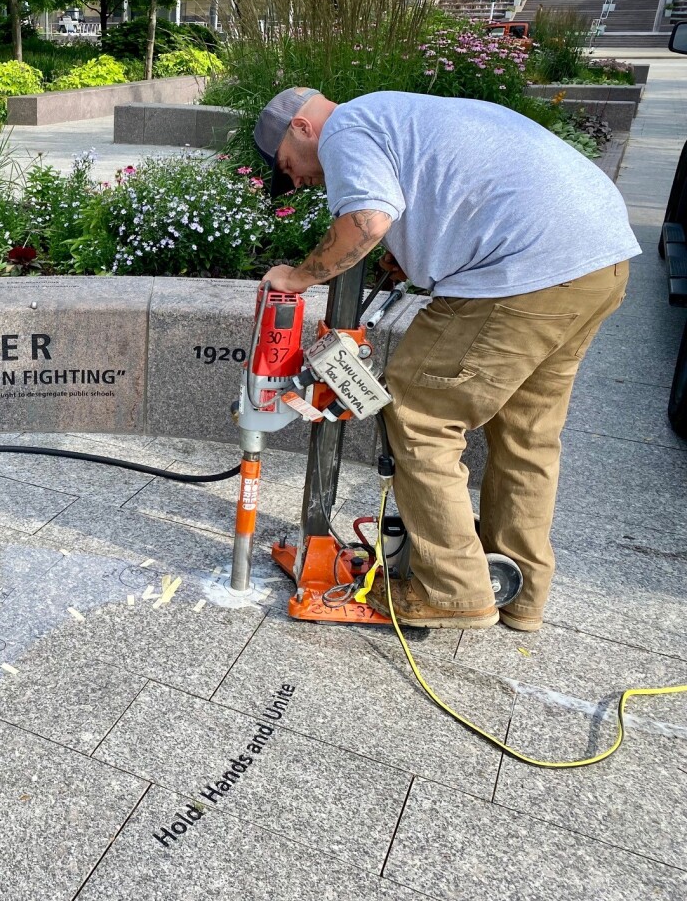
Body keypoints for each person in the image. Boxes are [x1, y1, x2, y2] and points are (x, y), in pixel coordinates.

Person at [254, 87, 637, 631]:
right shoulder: (394, 113)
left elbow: (366, 221)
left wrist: (297, 276)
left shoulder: (344, 128)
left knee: (419, 411)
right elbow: (441, 191)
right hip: (598, 261)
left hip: (523, 273)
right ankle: (520, 593)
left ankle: (454, 589)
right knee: (526, 433)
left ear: (302, 126)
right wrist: (413, 253)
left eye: (288, 168)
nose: (297, 182)